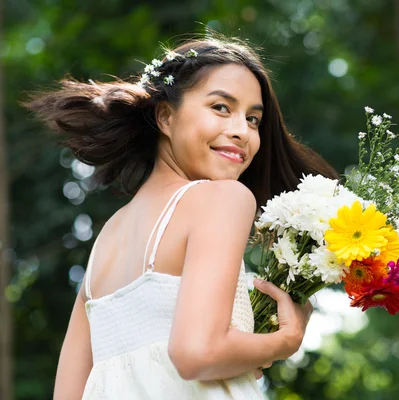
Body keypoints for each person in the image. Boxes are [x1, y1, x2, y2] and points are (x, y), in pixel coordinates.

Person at [25, 35, 338, 399]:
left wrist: (240, 351)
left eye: (253, 119)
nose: (242, 131)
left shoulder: (106, 241)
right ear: (165, 116)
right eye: (221, 107)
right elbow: (196, 354)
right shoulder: (223, 199)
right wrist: (284, 341)